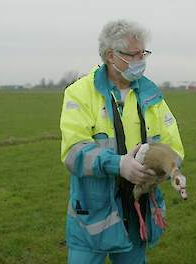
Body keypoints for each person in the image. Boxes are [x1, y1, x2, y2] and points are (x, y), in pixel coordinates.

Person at [60, 19, 184, 264]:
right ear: (110, 55)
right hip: (92, 218)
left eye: (144, 53)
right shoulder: (80, 93)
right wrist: (119, 165)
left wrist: (167, 169)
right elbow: (73, 153)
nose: (141, 61)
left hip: (136, 209)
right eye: (133, 55)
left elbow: (174, 147)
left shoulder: (152, 96)